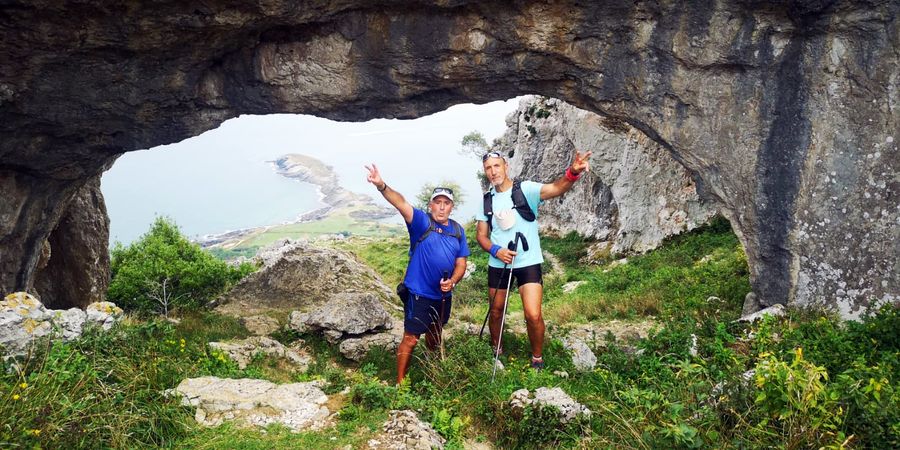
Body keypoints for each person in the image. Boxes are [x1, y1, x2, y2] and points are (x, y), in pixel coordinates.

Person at [475, 149, 591, 370]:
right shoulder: (486, 201)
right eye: (488, 168)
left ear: (506, 166)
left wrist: (573, 172)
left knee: (533, 314)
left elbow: (556, 188)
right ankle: (497, 351)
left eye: (497, 166)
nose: (493, 171)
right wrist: (496, 251)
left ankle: (537, 358)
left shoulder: (525, 189)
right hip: (498, 263)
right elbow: (481, 236)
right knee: (496, 311)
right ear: (485, 171)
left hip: (528, 261)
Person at [365, 163, 470, 384]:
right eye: (438, 203)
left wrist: (453, 281)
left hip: (443, 295)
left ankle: (433, 373)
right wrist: (381, 185)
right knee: (411, 338)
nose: (442, 207)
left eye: (446, 203)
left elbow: (461, 263)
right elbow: (401, 203)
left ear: (452, 207)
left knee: (435, 335)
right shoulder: (422, 222)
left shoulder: (458, 231)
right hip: (419, 294)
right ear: (431, 205)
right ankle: (400, 383)